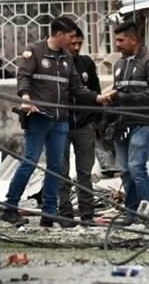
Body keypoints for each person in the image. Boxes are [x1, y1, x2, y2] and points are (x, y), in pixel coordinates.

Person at [0, 17, 109, 228]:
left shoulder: (67, 59)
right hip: (39, 117)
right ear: (59, 34)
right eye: (70, 36)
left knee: (55, 167)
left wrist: (97, 98)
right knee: (30, 161)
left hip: (61, 120)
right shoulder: (34, 51)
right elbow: (23, 77)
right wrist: (25, 98)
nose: (72, 40)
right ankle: (10, 207)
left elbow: (77, 88)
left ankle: (49, 213)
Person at [101, 21, 149, 226]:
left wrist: (123, 97)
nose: (117, 44)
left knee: (136, 166)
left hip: (144, 122)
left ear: (133, 39)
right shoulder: (119, 65)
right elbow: (119, 93)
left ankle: (148, 212)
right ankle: (131, 213)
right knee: (125, 170)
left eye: (120, 40)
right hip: (122, 124)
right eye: (116, 40)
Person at [57, 26, 102, 227]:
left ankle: (87, 215)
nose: (75, 47)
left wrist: (96, 122)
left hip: (84, 126)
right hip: (61, 125)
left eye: (79, 43)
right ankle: (65, 215)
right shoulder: (56, 64)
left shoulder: (86, 64)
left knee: (85, 173)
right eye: (72, 43)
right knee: (61, 172)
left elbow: (96, 93)